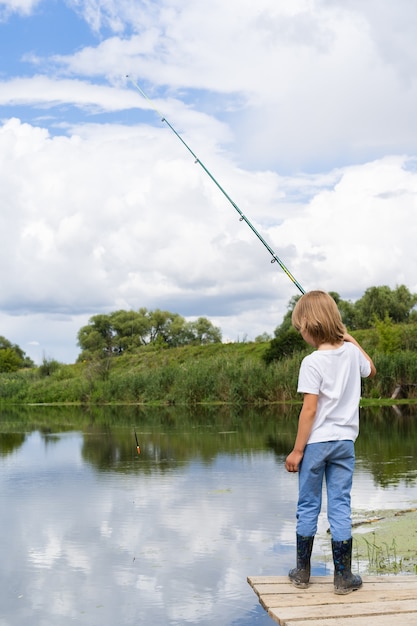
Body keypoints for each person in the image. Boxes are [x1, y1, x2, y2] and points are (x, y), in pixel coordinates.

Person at [285, 290, 376, 595]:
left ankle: (301, 573)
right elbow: (371, 369)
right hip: (344, 444)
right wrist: (350, 338)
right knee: (340, 505)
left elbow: (309, 410)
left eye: (301, 328)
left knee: (309, 504)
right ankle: (343, 577)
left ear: (311, 325)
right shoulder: (352, 354)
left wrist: (298, 450)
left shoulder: (312, 362)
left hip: (316, 445)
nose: (301, 333)